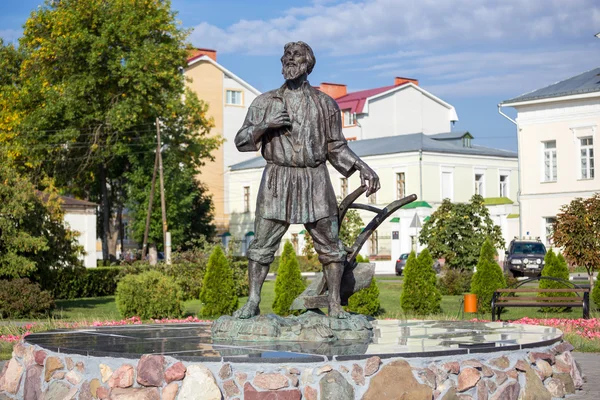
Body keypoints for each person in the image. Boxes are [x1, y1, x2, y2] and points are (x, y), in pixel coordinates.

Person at [233, 41, 380, 319]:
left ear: (308, 63)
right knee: (261, 245)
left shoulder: (325, 104)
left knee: (331, 245)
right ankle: (253, 302)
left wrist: (363, 166)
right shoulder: (265, 102)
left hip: (315, 178)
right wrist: (266, 125)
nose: (290, 60)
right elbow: (241, 141)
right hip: (278, 178)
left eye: (296, 56)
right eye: (286, 56)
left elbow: (336, 147)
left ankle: (335, 304)